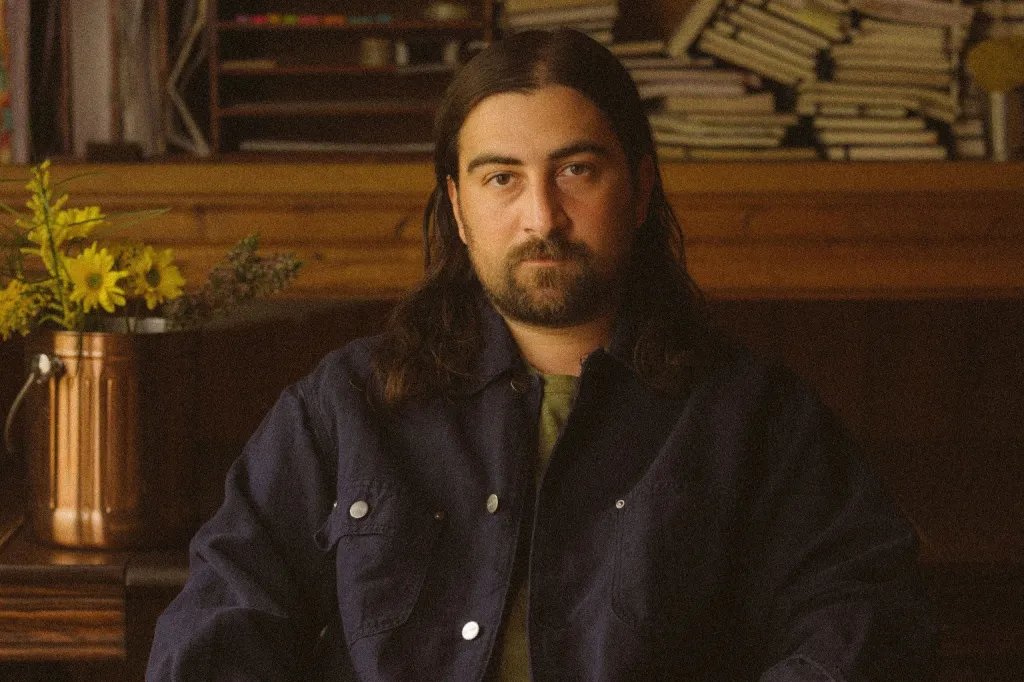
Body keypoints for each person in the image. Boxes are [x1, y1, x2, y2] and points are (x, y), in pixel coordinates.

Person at [148, 29, 936, 681]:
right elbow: (217, 627)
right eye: (502, 178)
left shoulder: (754, 417)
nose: (542, 217)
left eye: (576, 171)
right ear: (458, 207)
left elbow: (864, 620)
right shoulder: (345, 406)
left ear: (640, 187)